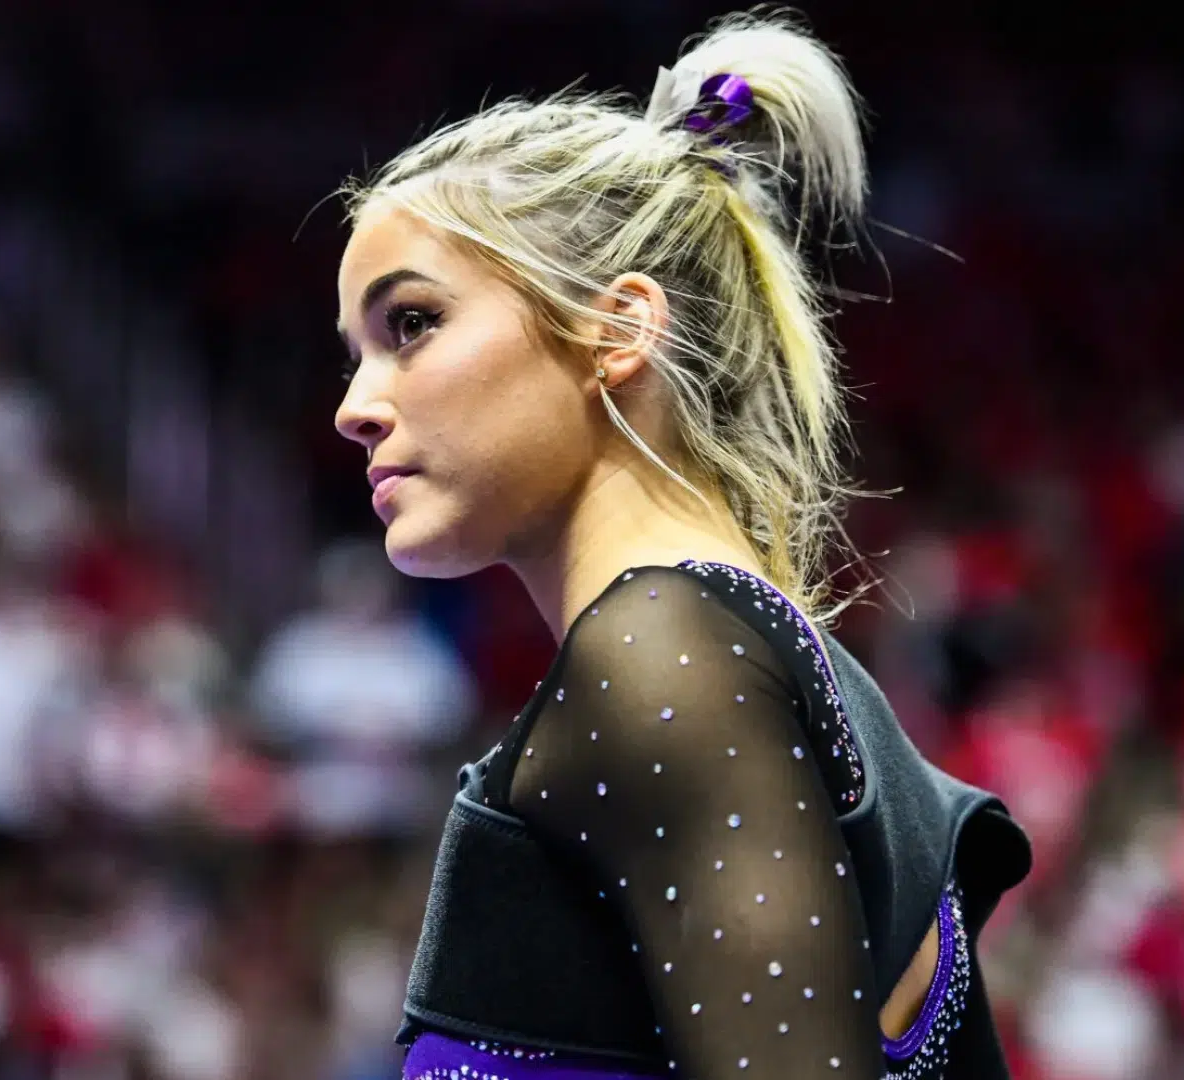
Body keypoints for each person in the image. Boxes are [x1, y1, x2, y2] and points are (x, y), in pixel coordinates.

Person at [329, 10, 1031, 1080]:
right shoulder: (734, 658)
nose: (354, 406)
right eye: (354, 354)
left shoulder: (664, 657)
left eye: (411, 325)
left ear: (617, 331)